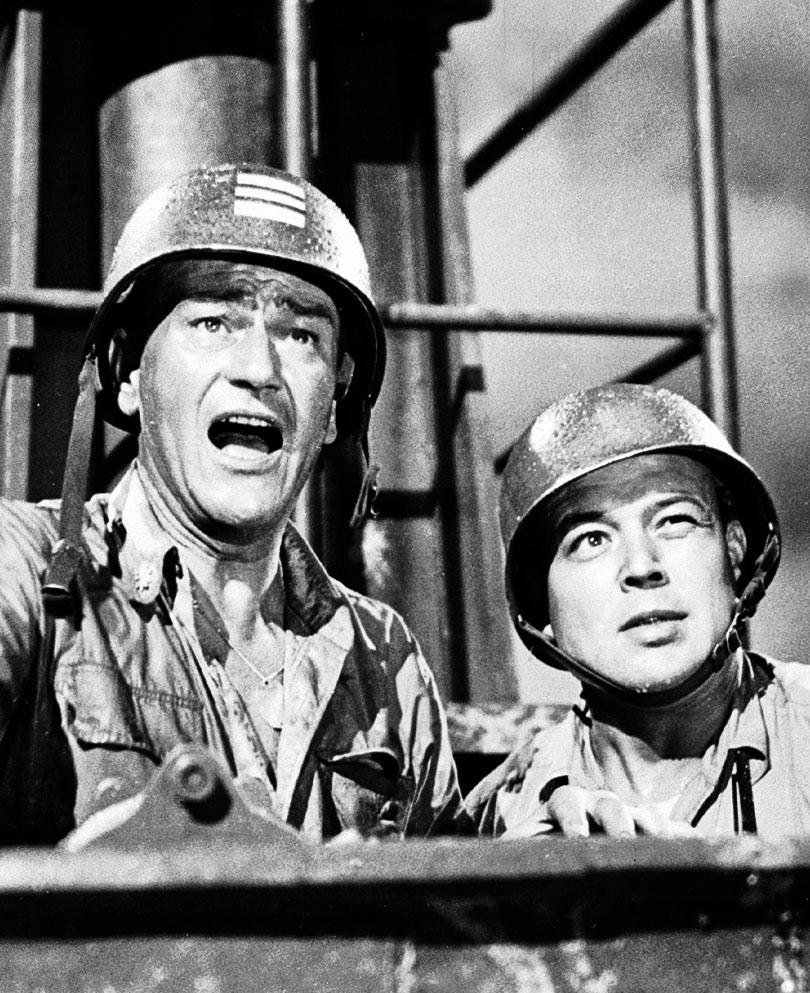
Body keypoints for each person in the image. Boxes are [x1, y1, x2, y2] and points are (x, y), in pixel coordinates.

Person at [0, 163, 462, 845]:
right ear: (128, 375)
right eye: (214, 321)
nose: (259, 370)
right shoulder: (27, 570)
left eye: (301, 335)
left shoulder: (384, 659)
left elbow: (459, 893)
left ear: (334, 408)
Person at [466, 382, 810, 838]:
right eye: (591, 539)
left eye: (675, 520)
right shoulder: (501, 812)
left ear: (734, 550)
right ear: (540, 604)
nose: (642, 567)